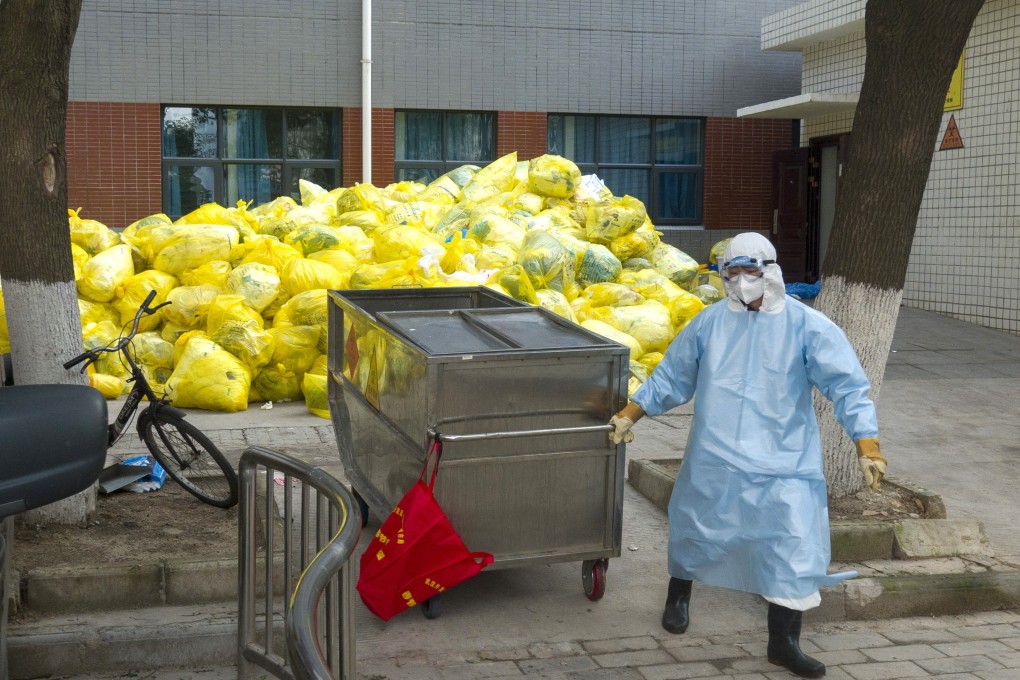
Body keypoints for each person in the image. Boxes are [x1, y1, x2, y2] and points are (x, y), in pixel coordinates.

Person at [609, 232, 887, 679]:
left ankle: (784, 644)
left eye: (750, 271)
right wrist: (631, 413)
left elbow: (848, 386)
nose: (741, 281)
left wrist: (866, 443)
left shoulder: (807, 326)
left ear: (771, 270)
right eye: (731, 273)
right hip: (715, 453)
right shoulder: (709, 323)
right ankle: (678, 596)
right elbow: (672, 376)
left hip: (784, 460)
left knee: (791, 544)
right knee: (697, 525)